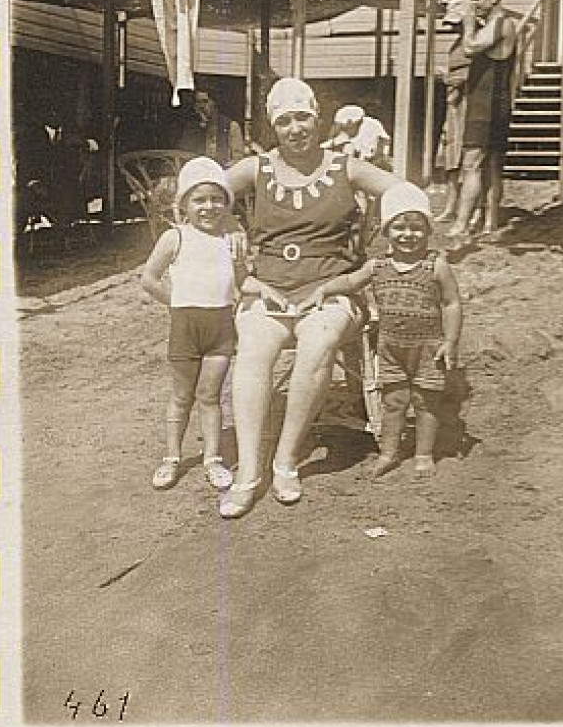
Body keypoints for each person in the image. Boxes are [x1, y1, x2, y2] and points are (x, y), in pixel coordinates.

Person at [219, 76, 398, 518]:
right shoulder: (255, 168)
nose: (295, 128)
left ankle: (285, 460)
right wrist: (227, 225)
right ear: (273, 127)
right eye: (285, 121)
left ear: (316, 119)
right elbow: (200, 196)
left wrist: (376, 253)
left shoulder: (345, 166)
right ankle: (249, 473)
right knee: (254, 352)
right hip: (270, 287)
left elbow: (402, 193)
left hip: (332, 288)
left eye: (303, 118)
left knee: (317, 343)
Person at [297, 182, 463, 479]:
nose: (408, 235)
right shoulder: (377, 266)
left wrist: (450, 341)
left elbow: (451, 303)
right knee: (394, 401)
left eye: (416, 228)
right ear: (387, 231)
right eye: (400, 227)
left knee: (426, 402)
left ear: (428, 231)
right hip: (390, 348)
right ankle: (389, 452)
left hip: (427, 348)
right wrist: (324, 290)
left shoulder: (436, 264)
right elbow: (349, 283)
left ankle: (424, 454)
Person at [140, 157, 240, 493]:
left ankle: (212, 458)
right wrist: (178, 301)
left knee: (210, 396)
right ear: (184, 204)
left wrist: (240, 243)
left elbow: (242, 281)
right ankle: (172, 458)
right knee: (182, 397)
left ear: (226, 203)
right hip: (185, 327)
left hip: (221, 327)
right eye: (199, 200)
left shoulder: (231, 239)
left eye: (216, 199)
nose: (209, 207)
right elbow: (150, 279)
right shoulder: (174, 238)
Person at [436, 0, 516, 244]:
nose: (474, 5)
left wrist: (469, 21)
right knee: (492, 165)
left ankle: (461, 224)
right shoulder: (499, 23)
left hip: (487, 105)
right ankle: (489, 223)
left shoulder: (500, 23)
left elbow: (470, 48)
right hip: (493, 102)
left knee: (472, 164)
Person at [324, 104, 392, 171]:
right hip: (360, 160)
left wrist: (383, 156)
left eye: (345, 127)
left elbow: (385, 141)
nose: (345, 131)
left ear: (352, 123)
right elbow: (332, 142)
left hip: (376, 160)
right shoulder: (345, 133)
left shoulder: (372, 126)